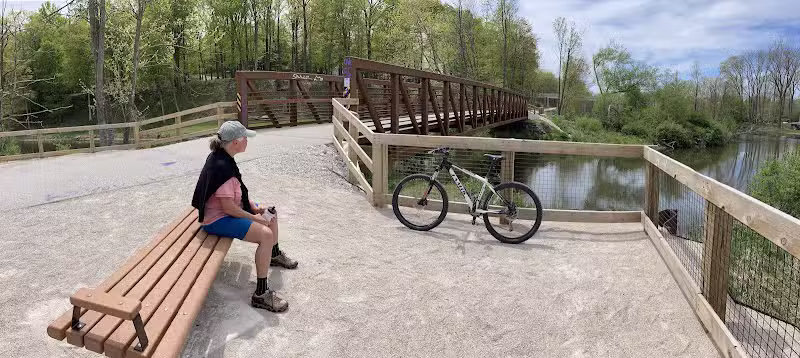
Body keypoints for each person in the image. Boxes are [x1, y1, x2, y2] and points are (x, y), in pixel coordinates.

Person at [191, 120, 297, 312]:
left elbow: (237, 194)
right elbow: (229, 208)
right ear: (235, 143)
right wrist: (255, 218)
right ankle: (261, 295)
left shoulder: (222, 158)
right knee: (265, 234)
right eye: (245, 138)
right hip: (216, 220)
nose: (248, 141)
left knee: (270, 213)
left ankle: (273, 255)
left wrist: (256, 208)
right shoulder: (222, 167)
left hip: (225, 212)